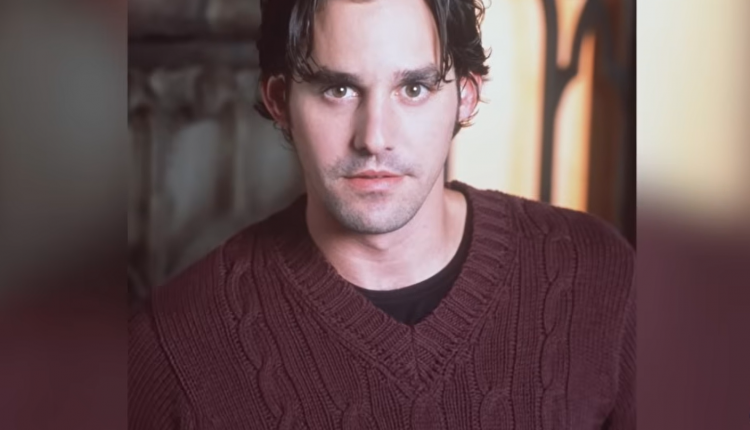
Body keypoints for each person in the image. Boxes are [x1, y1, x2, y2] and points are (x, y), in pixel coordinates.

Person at [129, 0, 635, 428]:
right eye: (338, 89)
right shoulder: (173, 343)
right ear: (280, 101)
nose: (374, 137)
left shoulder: (601, 277)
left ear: (465, 97)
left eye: (413, 89)